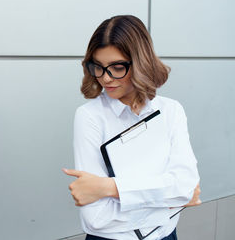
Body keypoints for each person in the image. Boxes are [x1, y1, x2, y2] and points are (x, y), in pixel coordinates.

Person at [62, 15, 201, 240]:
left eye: (117, 67)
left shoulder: (171, 111)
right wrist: (168, 200)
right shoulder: (90, 117)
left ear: (141, 62)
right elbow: (97, 218)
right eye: (97, 67)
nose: (105, 78)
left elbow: (185, 185)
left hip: (166, 236)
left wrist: (110, 188)